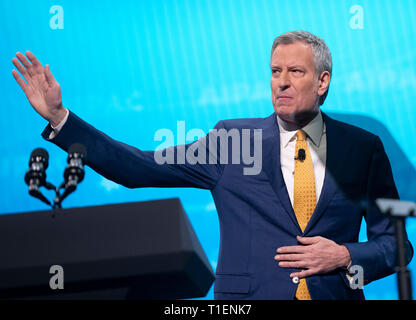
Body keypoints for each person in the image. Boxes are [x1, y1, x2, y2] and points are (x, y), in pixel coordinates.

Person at [11, 30, 412, 300]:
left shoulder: (363, 148)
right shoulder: (232, 142)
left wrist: (344, 255)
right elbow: (135, 167)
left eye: (295, 72)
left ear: (322, 82)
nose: (281, 82)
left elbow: (396, 245)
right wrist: (62, 118)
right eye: (275, 72)